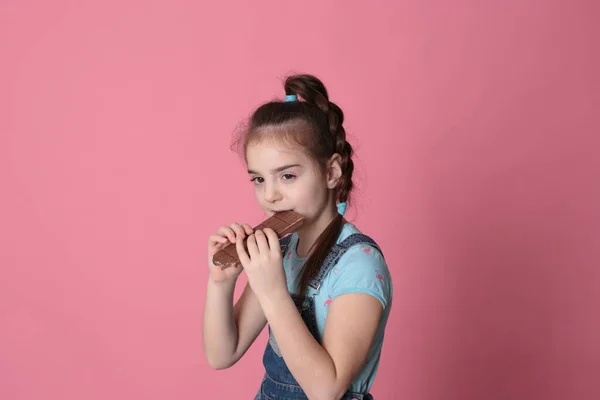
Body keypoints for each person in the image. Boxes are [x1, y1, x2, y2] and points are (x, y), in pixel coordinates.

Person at [202, 73, 393, 400]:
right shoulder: (283, 251)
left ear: (331, 172)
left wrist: (273, 290)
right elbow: (222, 354)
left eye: (287, 175)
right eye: (259, 179)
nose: (270, 195)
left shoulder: (358, 264)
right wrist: (221, 284)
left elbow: (326, 390)